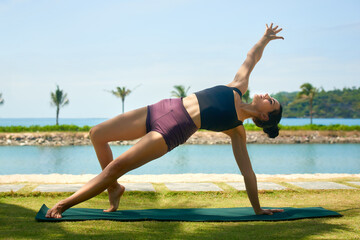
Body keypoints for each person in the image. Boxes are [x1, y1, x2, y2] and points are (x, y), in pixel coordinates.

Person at [46, 23, 285, 218]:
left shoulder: (236, 130)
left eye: (271, 101)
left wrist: (257, 208)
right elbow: (251, 58)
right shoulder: (238, 86)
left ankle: (64, 205)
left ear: (264, 116)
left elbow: (248, 173)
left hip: (171, 131)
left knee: (115, 167)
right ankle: (114, 188)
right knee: (97, 133)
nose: (266, 95)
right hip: (163, 107)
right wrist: (264, 39)